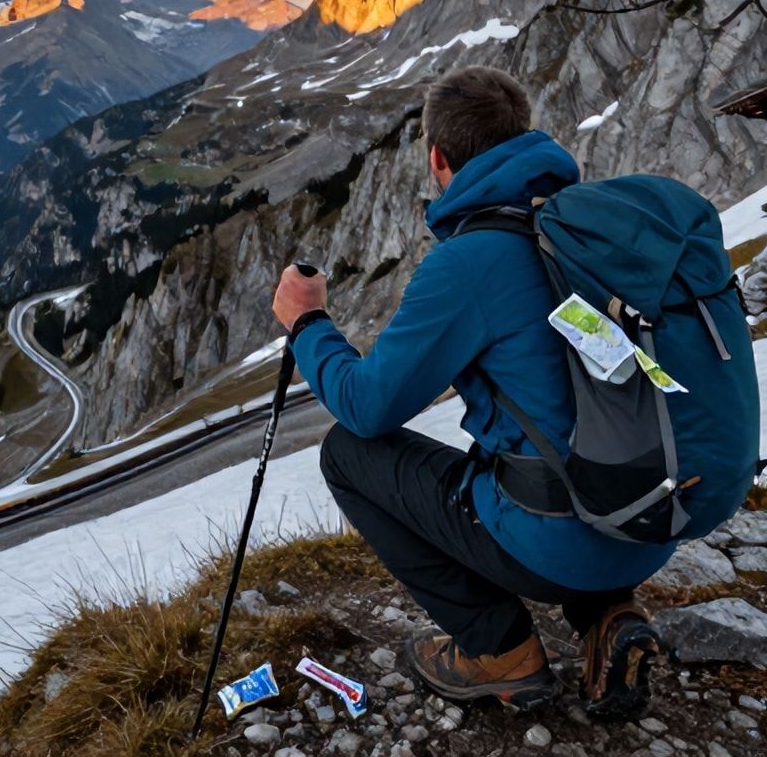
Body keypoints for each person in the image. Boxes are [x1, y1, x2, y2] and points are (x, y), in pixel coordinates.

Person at [271, 65, 673, 718]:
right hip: (652, 519)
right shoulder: (581, 226)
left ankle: (501, 650)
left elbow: (366, 406)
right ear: (522, 135)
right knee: (563, 432)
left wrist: (308, 323)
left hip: (557, 542)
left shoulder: (470, 261)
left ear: (438, 158)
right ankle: (609, 615)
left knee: (347, 453)